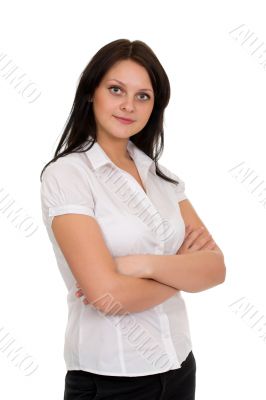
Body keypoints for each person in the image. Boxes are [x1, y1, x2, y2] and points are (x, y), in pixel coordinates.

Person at [40, 39, 226, 400]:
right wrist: (181, 274)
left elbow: (216, 269)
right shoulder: (67, 175)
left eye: (143, 96)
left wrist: (139, 265)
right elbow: (107, 295)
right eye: (116, 90)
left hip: (179, 367)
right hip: (111, 379)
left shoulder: (162, 178)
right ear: (91, 93)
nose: (129, 105)